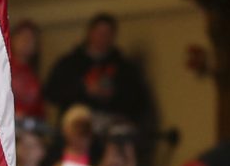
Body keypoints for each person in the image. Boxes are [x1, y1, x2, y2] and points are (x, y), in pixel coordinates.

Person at [40, 14, 157, 150]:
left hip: (110, 127)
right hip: (76, 126)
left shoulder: (124, 67)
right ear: (90, 33)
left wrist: (112, 95)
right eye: (100, 32)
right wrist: (84, 90)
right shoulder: (70, 63)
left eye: (108, 33)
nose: (103, 37)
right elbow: (52, 92)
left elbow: (139, 101)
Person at [10, 19, 47, 123]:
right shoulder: (3, 68)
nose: (26, 42)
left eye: (31, 39)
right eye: (22, 37)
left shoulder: (34, 75)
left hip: (30, 125)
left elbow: (39, 109)